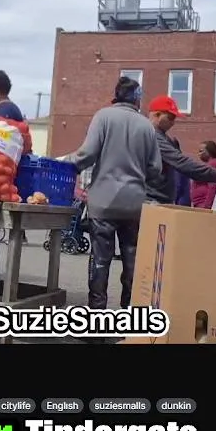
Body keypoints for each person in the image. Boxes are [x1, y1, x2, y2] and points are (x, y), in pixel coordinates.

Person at [60, 77, 162, 312]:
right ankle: (129, 313)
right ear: (137, 99)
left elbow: (87, 154)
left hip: (103, 202)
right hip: (134, 204)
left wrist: (67, 164)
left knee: (100, 259)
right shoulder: (146, 126)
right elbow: (155, 168)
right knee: (132, 256)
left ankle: (97, 316)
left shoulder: (103, 117)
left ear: (116, 96)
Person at [144, 96, 216, 206]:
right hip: (151, 200)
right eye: (170, 117)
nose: (173, 122)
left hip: (160, 200)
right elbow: (180, 162)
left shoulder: (163, 138)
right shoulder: (152, 136)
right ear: (157, 114)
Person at [191, 140, 216, 209]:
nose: (199, 154)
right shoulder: (212, 163)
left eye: (201, 151)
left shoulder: (213, 163)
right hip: (201, 204)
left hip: (204, 204)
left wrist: (207, 206)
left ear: (209, 151)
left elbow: (213, 187)